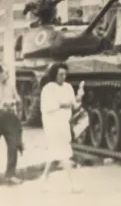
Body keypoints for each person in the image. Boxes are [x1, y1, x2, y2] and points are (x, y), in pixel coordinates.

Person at [40, 63, 83, 192]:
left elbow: (74, 106)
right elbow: (49, 107)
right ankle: (73, 185)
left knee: (55, 152)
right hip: (52, 123)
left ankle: (44, 178)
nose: (63, 77)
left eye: (65, 74)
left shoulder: (68, 87)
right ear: (54, 75)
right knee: (64, 153)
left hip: (64, 123)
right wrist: (67, 104)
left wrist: (79, 98)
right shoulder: (48, 88)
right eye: (60, 74)